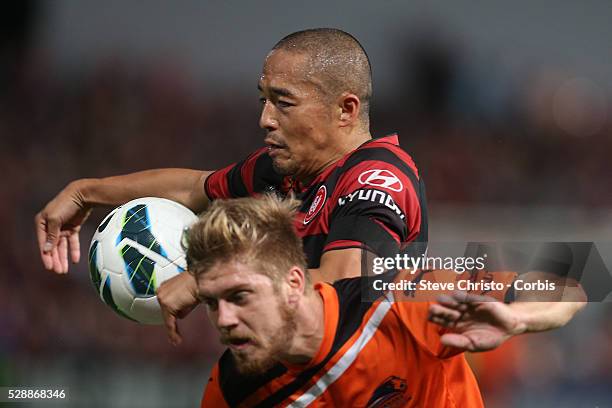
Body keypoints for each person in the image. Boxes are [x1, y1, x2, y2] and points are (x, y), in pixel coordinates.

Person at [35, 28, 584, 346]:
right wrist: (88, 191)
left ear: (345, 109)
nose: (265, 119)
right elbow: (198, 188)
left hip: (383, 382)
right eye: (262, 100)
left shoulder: (376, 179)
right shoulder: (290, 171)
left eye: (283, 102)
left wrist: (209, 282)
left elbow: (343, 282)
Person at [186, 195, 484, 407]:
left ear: (293, 283)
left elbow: (528, 287)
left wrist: (521, 317)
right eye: (212, 303)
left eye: (239, 296)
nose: (224, 319)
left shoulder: (397, 296)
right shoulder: (232, 391)